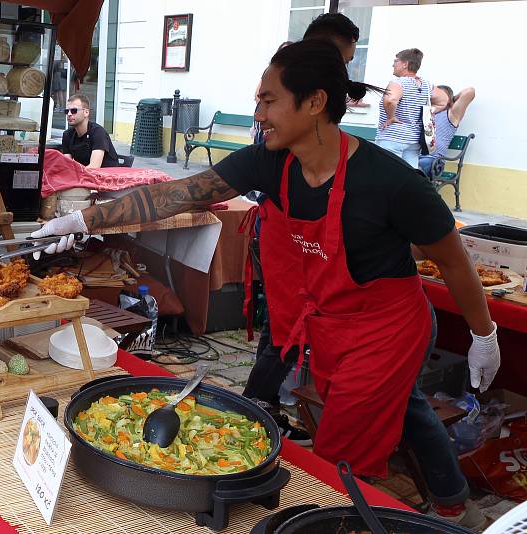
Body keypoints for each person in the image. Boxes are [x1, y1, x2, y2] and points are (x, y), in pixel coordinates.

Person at [34, 40, 498, 529]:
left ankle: (343, 520)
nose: (259, 112)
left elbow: (454, 261)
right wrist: (83, 220)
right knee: (381, 418)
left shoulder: (390, 182)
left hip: (386, 332)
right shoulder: (268, 162)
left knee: (340, 458)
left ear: (315, 101)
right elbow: (179, 194)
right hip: (326, 327)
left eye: (269, 100)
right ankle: (451, 506)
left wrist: (483, 336)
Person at [245, 13, 362, 443]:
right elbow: (192, 189)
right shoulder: (284, 83)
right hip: (282, 230)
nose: (342, 74)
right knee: (283, 322)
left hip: (320, 234)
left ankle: (278, 403)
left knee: (302, 326)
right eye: (340, 59)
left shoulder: (370, 169)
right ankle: (260, 406)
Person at [375, 48, 433, 168]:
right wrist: (433, 109)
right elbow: (444, 100)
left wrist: (391, 117)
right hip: (413, 141)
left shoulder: (398, 83)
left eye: (396, 61)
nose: (393, 64)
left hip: (392, 139)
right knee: (409, 178)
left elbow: (391, 100)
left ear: (405, 64)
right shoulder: (426, 85)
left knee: (386, 177)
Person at [418, 85, 476, 178]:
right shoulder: (426, 113)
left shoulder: (451, 114)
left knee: (413, 169)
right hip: (415, 157)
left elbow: (469, 92)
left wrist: (452, 100)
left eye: (439, 95)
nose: (434, 97)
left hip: (434, 161)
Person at [61, 93, 119, 168]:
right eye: (66, 111)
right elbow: (67, 165)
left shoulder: (98, 132)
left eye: (74, 110)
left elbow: (94, 167)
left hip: (107, 176)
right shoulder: (67, 134)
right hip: (85, 175)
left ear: (86, 112)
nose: (69, 114)